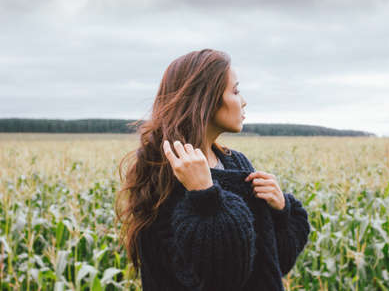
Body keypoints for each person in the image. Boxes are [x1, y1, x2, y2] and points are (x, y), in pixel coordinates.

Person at [115, 48, 310, 291]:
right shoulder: (166, 174)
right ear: (205, 98)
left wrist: (281, 212)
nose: (244, 100)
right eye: (236, 91)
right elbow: (222, 278)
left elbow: (270, 265)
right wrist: (205, 198)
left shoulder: (235, 163)